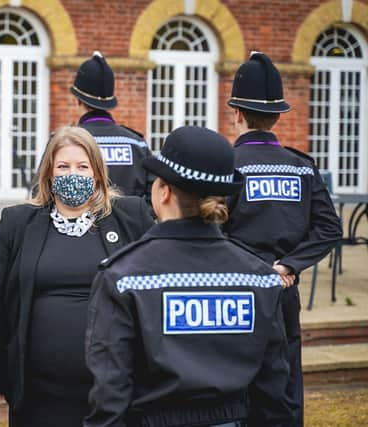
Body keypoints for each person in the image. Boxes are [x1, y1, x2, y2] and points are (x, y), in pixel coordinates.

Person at [85, 126, 295, 427]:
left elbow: (110, 393)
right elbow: (274, 391)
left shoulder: (124, 277)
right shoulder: (259, 277)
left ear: (164, 192)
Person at [0, 126, 153, 426]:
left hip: (114, 391)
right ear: (49, 174)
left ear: (97, 173)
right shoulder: (17, 223)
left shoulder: (130, 217)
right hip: (39, 393)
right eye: (64, 166)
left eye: (83, 166)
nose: (73, 174)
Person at [223, 52, 342, 426]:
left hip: (237, 289)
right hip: (284, 287)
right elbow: (329, 229)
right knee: (287, 379)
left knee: (237, 376)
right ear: (277, 115)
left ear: (237, 113)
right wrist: (286, 265)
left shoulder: (227, 164)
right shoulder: (301, 166)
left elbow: (214, 229)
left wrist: (257, 268)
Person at [72, 52, 153, 200]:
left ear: (78, 100)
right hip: (130, 223)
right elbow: (153, 197)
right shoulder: (137, 143)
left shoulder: (64, 143)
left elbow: (41, 195)